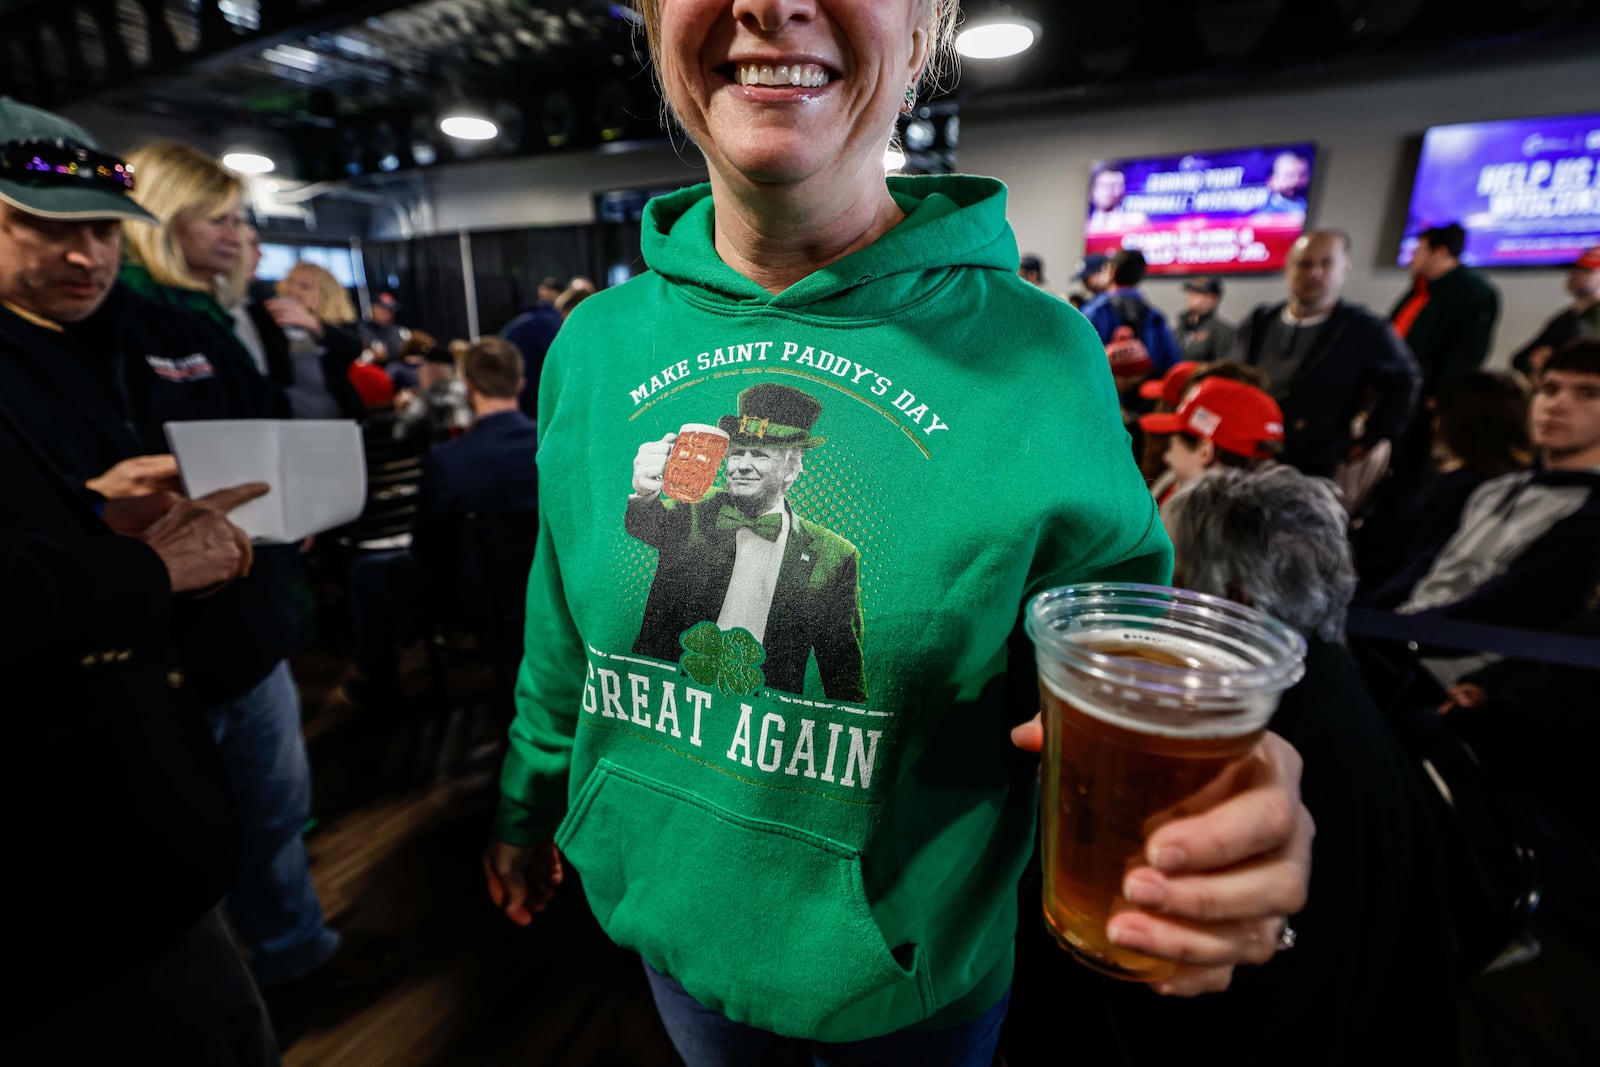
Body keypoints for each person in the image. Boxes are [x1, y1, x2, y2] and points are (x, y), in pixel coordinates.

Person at [485, 4, 1313, 1064]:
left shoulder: (1041, 358)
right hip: (666, 936)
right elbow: (562, 630)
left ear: (922, 37)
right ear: (652, 30)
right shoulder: (595, 345)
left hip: (910, 984)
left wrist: (1217, 797)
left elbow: (1111, 684)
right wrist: (525, 802)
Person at [0, 101, 357, 1029]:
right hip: (105, 699)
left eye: (104, 231)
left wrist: (282, 492)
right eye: (48, 229)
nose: (87, 257)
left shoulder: (178, 329)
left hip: (238, 637)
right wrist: (98, 518)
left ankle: (295, 962)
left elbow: (272, 441)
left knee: (273, 823)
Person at [1015, 467, 1451, 1065]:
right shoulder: (1344, 686)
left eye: (1168, 580)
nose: (1155, 603)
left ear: (1232, 606)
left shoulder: (1270, 749)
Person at [627, 382, 866, 702]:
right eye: (737, 452)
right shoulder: (692, 509)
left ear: (792, 469)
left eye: (759, 455)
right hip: (668, 704)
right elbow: (644, 523)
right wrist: (645, 491)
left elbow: (843, 670)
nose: (741, 465)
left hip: (760, 728)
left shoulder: (834, 556)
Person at [1234, 229, 1421, 478]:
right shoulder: (1260, 321)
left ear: (1344, 268)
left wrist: (1369, 440)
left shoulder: (1364, 329)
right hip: (1249, 456)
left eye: (1326, 263)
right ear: (1288, 270)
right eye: (1304, 264)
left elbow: (1404, 384)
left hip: (1314, 466)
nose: (1314, 272)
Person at [1391, 223, 1501, 401]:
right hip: (1398, 387)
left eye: (1418, 250)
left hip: (1425, 396)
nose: (1412, 257)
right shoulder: (1423, 287)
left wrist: (1442, 396)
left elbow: (1467, 354)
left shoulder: (1473, 293)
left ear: (1440, 252)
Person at [1138, 376, 1284, 504]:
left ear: (1204, 451)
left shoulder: (1193, 527)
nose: (1166, 451)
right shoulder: (1285, 520)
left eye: (1173, 434)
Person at [268, 259, 367, 420]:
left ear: (325, 294)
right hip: (288, 418)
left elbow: (354, 348)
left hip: (334, 416)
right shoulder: (274, 325)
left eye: (304, 287)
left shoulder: (337, 325)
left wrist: (312, 323)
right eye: (291, 282)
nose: (293, 290)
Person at [1080, 249, 1184, 374]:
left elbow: (1078, 359)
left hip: (1102, 391)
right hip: (1145, 390)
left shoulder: (1092, 312)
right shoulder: (1156, 317)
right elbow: (1173, 365)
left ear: (1111, 272)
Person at [1509, 245, 1600, 377]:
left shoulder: (1592, 318)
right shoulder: (1566, 318)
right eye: (1573, 268)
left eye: (1586, 270)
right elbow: (1520, 359)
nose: (1575, 274)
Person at [499, 275, 565, 419]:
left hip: (506, 398)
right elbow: (562, 374)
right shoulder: (552, 325)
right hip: (530, 404)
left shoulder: (524, 320)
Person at [1175, 275, 1235, 362]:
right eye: (1191, 292)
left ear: (1212, 299)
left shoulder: (1221, 332)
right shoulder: (1179, 329)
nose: (1191, 296)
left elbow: (1222, 367)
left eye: (1197, 293)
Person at [1085, 165, 1146, 233]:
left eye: (1116, 185)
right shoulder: (1082, 224)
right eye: (1104, 186)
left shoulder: (1135, 221)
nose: (1110, 191)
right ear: (1091, 191)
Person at [359, 290, 409, 365]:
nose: (388, 313)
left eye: (391, 310)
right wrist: (370, 354)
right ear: (373, 309)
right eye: (383, 309)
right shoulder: (360, 329)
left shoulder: (401, 331)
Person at [1260, 151, 1310, 215]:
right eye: (1289, 176)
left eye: (1301, 175)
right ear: (1272, 180)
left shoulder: (1304, 204)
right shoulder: (1266, 216)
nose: (1296, 181)